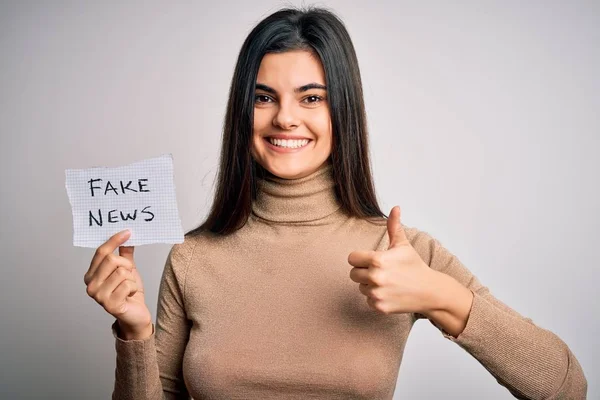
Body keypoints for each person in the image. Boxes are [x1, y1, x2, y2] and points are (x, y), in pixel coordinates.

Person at [83, 6, 588, 399]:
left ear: (342, 111)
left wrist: (442, 296)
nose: (284, 118)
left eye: (311, 98)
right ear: (243, 112)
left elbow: (566, 387)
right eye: (263, 97)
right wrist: (135, 332)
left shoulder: (402, 254)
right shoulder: (194, 257)